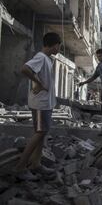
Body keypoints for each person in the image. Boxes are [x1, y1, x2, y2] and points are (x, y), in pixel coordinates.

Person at [14, 32, 61, 180]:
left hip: (45, 103)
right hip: (41, 104)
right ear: (54, 45)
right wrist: (38, 83)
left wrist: (38, 82)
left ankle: (36, 164)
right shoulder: (41, 57)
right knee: (40, 133)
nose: (59, 48)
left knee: (42, 133)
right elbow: (25, 69)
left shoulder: (47, 59)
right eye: (59, 45)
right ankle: (20, 168)